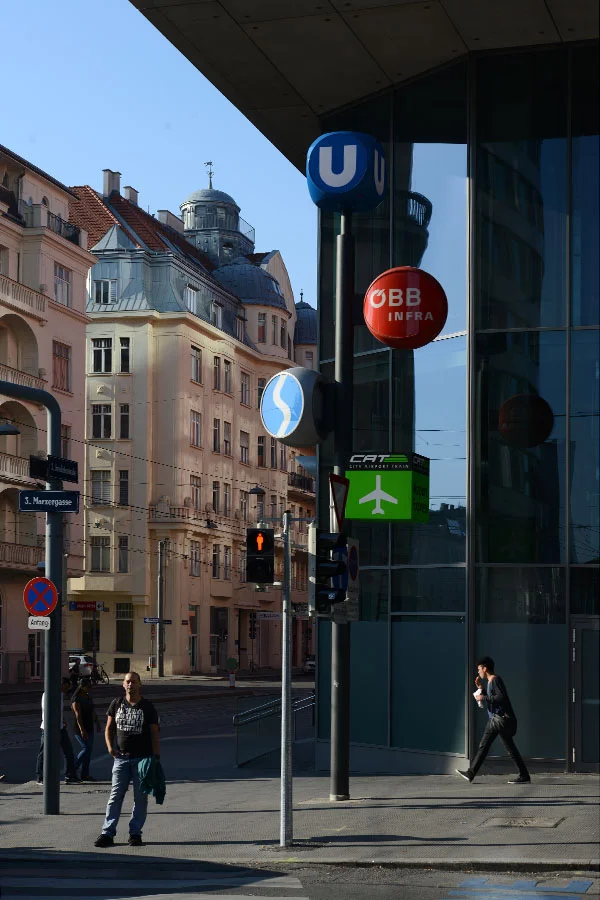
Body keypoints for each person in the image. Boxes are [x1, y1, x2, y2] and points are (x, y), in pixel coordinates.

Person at [94, 672, 160, 848]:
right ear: (123, 685)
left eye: (134, 682)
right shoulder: (116, 704)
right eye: (127, 682)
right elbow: (109, 729)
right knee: (115, 796)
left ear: (140, 685)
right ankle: (107, 833)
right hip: (121, 758)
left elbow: (154, 733)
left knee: (140, 798)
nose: (130, 684)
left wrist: (155, 758)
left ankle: (135, 834)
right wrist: (109, 748)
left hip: (142, 759)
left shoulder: (147, 707)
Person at [457, 656, 531, 785]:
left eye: (479, 669)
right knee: (510, 749)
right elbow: (495, 699)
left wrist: (483, 697)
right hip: (503, 722)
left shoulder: (495, 680)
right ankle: (524, 775)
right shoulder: (491, 682)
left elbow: (501, 697)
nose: (478, 672)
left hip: (499, 720)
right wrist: (482, 689)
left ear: (485, 668)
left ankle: (471, 773)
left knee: (483, 746)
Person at [36, 677, 80, 785]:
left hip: (60, 727)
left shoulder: (60, 694)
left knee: (68, 751)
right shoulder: (49, 694)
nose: (67, 689)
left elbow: (58, 711)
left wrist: (62, 720)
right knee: (44, 753)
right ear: (62, 684)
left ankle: (70, 776)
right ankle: (40, 777)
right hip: (48, 728)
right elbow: (47, 712)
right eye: (67, 686)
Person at [71, 677, 101, 781]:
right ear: (82, 687)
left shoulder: (88, 697)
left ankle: (85, 774)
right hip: (80, 728)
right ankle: (73, 769)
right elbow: (78, 715)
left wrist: (97, 722)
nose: (90, 688)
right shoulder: (76, 699)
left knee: (88, 752)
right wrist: (82, 730)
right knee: (86, 749)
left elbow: (92, 711)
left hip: (89, 727)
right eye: (88, 686)